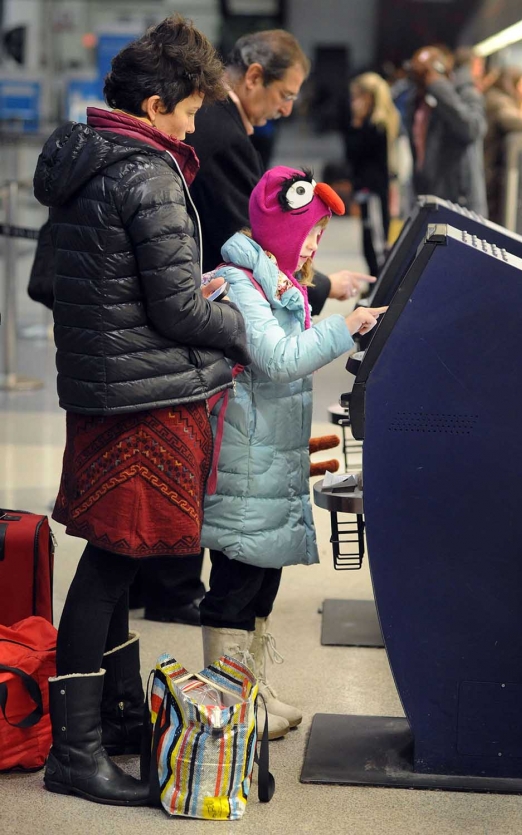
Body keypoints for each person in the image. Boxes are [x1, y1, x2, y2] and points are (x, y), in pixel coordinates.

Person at [32, 14, 250, 806]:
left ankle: (117, 718)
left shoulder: (81, 159)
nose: (196, 123)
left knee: (112, 560)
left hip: (101, 390)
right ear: (157, 106)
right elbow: (180, 314)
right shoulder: (149, 172)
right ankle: (76, 752)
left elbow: (53, 282)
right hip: (145, 399)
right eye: (191, 110)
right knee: (111, 563)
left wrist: (123, 310)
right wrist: (237, 325)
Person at [198, 166, 386, 739]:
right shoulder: (239, 284)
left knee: (263, 580)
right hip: (244, 458)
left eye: (320, 234)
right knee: (236, 578)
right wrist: (343, 328)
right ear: (276, 227)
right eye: (308, 232)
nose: (314, 244)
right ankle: (227, 702)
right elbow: (277, 359)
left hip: (269, 454)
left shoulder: (278, 281)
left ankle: (250, 688)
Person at [188, 29, 372, 306]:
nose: (286, 110)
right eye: (285, 96)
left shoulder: (210, 116)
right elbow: (253, 240)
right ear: (254, 77)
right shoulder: (225, 137)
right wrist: (324, 285)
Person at [404, 44, 487, 215]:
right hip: (429, 194)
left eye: (426, 72)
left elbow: (472, 128)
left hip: (460, 199)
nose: (422, 78)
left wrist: (439, 88)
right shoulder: (417, 101)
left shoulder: (463, 93)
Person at [342, 72, 401, 275]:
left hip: (373, 189)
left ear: (369, 97)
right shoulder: (370, 123)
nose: (354, 101)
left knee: (376, 239)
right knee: (370, 237)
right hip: (367, 187)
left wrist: (356, 124)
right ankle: (376, 277)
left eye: (358, 96)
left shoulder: (376, 125)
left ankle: (379, 279)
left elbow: (357, 154)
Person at [484, 66, 522, 225]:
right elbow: (516, 122)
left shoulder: (497, 98)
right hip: (490, 168)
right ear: (511, 84)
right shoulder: (498, 101)